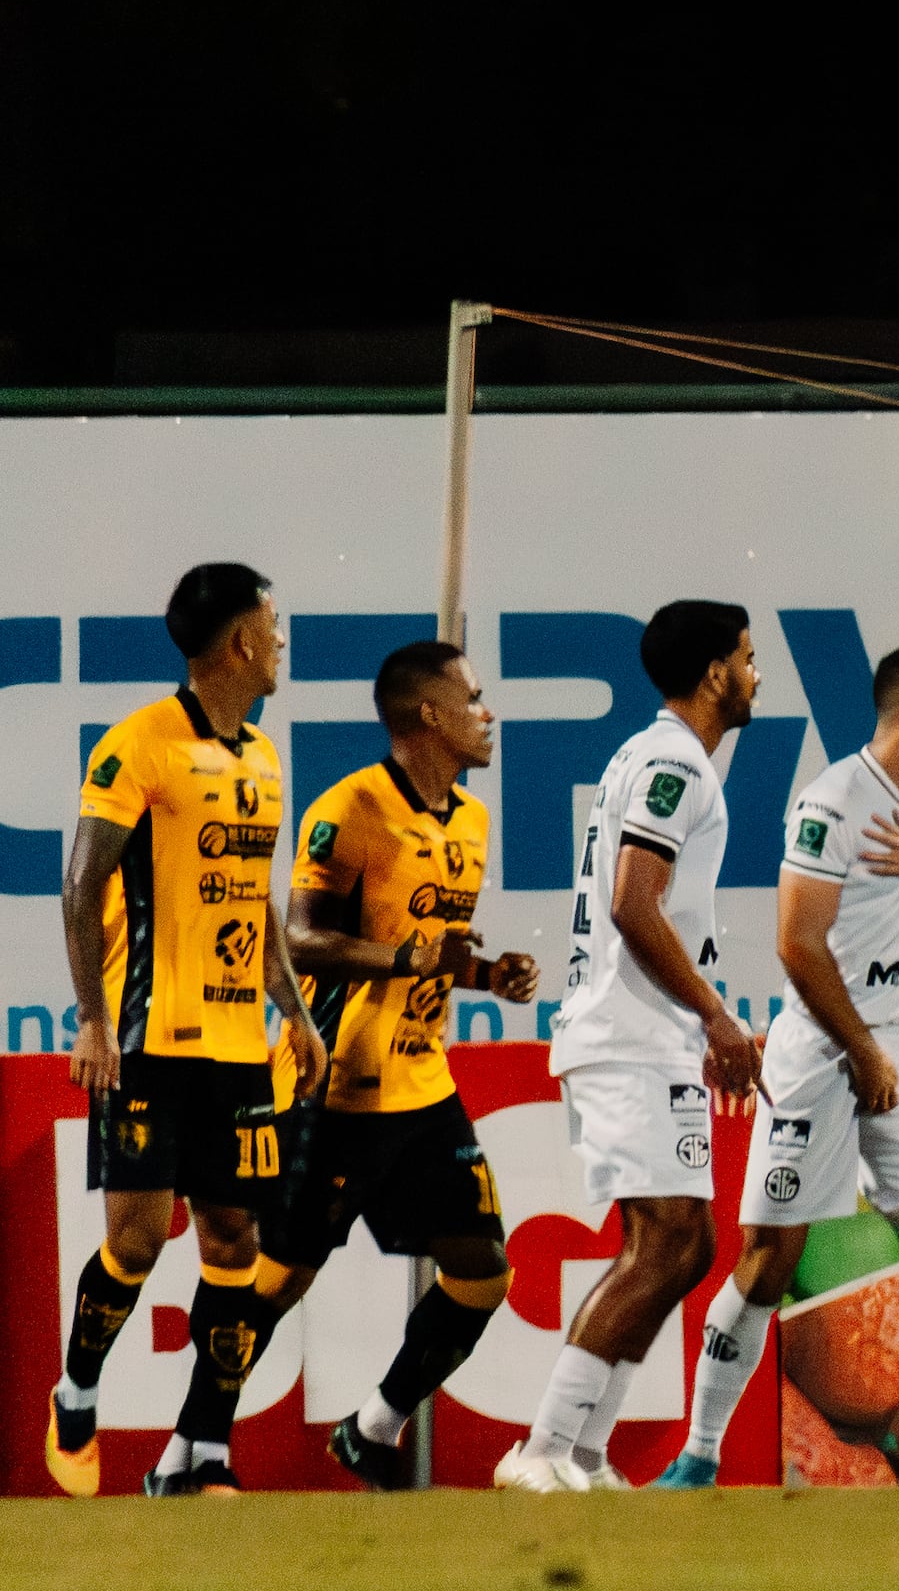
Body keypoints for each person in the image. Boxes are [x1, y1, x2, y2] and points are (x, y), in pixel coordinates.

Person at [653, 646, 899, 1488]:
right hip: (822, 1048)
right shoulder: (831, 801)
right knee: (770, 1259)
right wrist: (860, 1049)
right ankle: (699, 1453)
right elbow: (796, 943)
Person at [50, 562, 325, 1496]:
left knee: (235, 1241)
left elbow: (254, 905)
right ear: (241, 642)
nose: (282, 642)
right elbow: (81, 886)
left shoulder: (263, 756)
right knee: (139, 1239)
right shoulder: (138, 746)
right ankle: (78, 1387)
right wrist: (91, 1016)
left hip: (238, 1049)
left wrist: (292, 1009)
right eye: (274, 627)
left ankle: (198, 1449)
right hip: (148, 1040)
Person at [276, 641, 538, 1491]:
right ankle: (194, 1445)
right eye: (473, 696)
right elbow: (301, 939)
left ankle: (371, 1428)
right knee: (277, 1280)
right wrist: (405, 961)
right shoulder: (350, 808)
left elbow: (433, 953)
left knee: (482, 1272)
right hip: (340, 1084)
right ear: (430, 713)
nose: (486, 712)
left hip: (424, 1083)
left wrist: (487, 974)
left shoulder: (470, 819)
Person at [526, 601, 770, 1495]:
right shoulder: (676, 762)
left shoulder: (651, 754)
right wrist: (716, 1015)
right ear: (714, 673)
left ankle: (585, 1453)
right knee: (667, 1240)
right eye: (747, 658)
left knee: (685, 1244)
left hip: (637, 1029)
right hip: (632, 1033)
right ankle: (545, 1448)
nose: (756, 675)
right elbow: (636, 903)